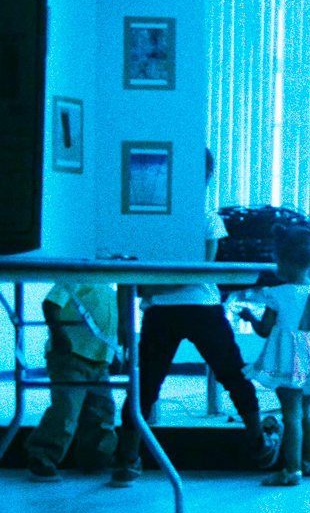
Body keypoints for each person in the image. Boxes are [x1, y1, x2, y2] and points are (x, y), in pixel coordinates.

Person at [123, 148, 277, 480]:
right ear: (206, 178)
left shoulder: (153, 219)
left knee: (147, 381)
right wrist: (159, 288)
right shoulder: (208, 218)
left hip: (160, 311)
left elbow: (147, 271)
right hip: (202, 308)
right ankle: (259, 442)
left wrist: (153, 290)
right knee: (234, 374)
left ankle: (127, 458)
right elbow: (201, 271)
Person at [237, 223, 310, 487]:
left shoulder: (275, 294)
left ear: (279, 259)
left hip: (287, 359)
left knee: (291, 414)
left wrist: (249, 316)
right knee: (309, 411)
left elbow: (264, 330)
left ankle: (292, 470)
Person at [23, 283, 118, 482]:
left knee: (101, 411)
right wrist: (59, 335)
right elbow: (50, 304)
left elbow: (109, 324)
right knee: (66, 409)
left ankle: (95, 459)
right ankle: (42, 456)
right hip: (70, 355)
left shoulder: (108, 288)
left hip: (99, 360)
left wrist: (113, 352)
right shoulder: (75, 277)